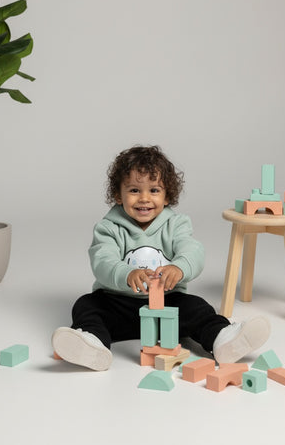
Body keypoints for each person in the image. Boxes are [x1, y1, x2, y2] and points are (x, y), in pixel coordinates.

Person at [52, 145, 270, 371]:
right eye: (134, 190)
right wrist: (127, 274)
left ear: (167, 196)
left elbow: (193, 250)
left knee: (198, 307)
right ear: (118, 194)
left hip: (167, 307)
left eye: (154, 190)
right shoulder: (108, 228)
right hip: (117, 304)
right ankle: (92, 344)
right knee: (86, 305)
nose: (144, 199)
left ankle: (222, 339)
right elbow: (102, 260)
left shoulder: (176, 225)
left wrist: (180, 267)